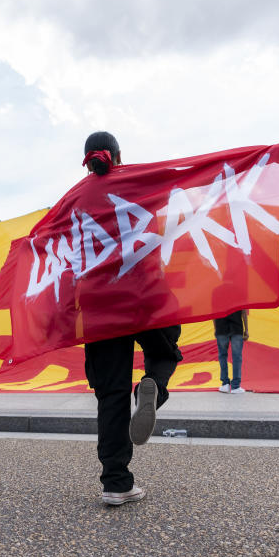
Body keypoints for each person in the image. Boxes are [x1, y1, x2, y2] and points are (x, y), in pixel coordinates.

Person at [79, 131, 183, 506]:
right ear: (118, 157)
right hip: (144, 294)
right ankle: (152, 385)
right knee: (166, 350)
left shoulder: (75, 198)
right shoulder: (136, 183)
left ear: (86, 159)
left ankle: (117, 482)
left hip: (98, 304)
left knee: (110, 394)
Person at [214, 310, 248, 394]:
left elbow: (214, 313)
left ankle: (225, 384)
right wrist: (246, 330)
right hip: (236, 328)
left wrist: (216, 328)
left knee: (222, 355)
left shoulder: (215, 296)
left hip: (221, 328)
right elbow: (244, 312)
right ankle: (235, 386)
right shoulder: (240, 296)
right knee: (237, 357)